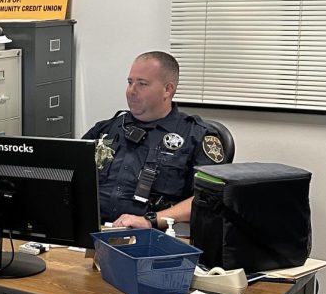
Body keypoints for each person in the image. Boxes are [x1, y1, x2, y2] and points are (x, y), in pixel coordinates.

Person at [82, 51, 226, 229]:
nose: (131, 91)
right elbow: (68, 173)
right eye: (130, 82)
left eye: (142, 84)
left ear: (168, 89)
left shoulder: (196, 136)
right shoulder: (107, 129)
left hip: (153, 235)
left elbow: (210, 198)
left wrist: (151, 220)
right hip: (91, 230)